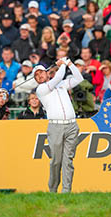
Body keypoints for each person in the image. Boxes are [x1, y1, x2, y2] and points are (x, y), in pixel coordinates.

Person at [34, 57, 84, 193]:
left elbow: (79, 78)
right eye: (37, 75)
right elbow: (57, 78)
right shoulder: (41, 89)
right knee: (56, 161)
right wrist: (62, 65)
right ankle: (53, 190)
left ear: (47, 73)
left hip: (72, 126)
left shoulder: (61, 84)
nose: (40, 75)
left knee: (68, 160)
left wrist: (69, 64)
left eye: (41, 72)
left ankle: (66, 191)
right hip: (55, 127)